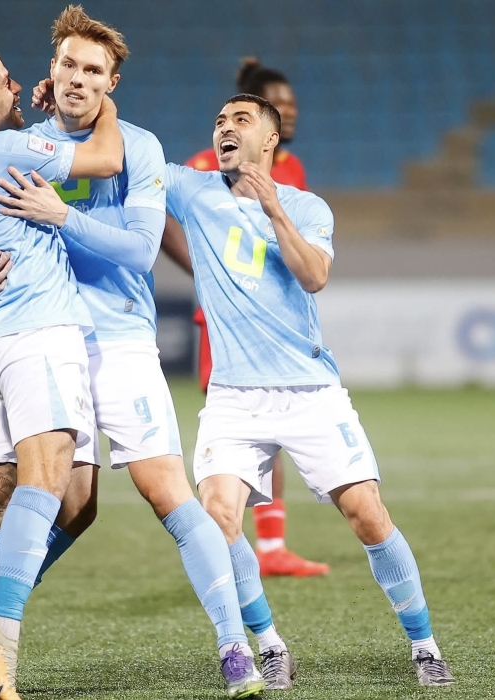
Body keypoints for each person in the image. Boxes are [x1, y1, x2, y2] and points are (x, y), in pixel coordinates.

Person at [0, 7, 269, 700]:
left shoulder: (136, 146)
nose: (78, 78)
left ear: (111, 82)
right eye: (68, 65)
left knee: (166, 492)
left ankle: (236, 649)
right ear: (50, 71)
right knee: (3, 501)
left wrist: (63, 215)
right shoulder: (24, 142)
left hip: (117, 341)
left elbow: (139, 252)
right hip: (46, 338)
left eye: (93, 70)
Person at [163, 92, 455, 688]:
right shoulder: (194, 191)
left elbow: (314, 275)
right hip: (233, 396)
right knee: (218, 518)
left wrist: (273, 208)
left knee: (368, 514)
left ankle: (424, 646)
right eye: (219, 120)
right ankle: (269, 644)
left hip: (310, 391)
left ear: (270, 140)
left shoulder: (305, 205)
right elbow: (128, 153)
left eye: (240, 120)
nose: (224, 127)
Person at [0, 44, 127, 700]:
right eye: (7, 81)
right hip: (38, 335)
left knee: (72, 499)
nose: (21, 86)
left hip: (24, 332)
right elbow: (106, 158)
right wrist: (105, 96)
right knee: (44, 483)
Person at [165, 58, 328, 578]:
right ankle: (242, 542)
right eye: (280, 104)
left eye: (293, 105)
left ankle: (272, 545)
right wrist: (203, 266)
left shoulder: (292, 171)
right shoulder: (209, 165)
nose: (291, 113)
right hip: (227, 322)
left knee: (276, 425)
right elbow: (169, 214)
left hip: (276, 326)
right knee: (243, 423)